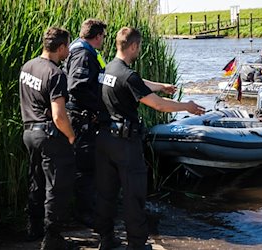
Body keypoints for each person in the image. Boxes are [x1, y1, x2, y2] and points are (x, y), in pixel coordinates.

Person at [95, 27, 205, 250]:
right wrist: (188, 107)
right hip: (126, 144)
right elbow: (158, 104)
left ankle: (105, 240)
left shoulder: (108, 69)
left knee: (106, 194)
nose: (139, 50)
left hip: (105, 141)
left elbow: (135, 83)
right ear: (133, 46)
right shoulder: (127, 74)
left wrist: (161, 86)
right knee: (134, 196)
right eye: (139, 47)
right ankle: (136, 245)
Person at [19, 27, 76, 249]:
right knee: (56, 186)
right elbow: (59, 115)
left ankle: (33, 228)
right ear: (60, 47)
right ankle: (52, 238)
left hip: (29, 132)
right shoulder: (56, 74)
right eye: (67, 47)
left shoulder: (28, 66)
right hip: (49, 135)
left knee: (36, 180)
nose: (68, 51)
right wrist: (70, 136)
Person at [63, 18, 107, 228]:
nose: (103, 40)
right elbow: (77, 87)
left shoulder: (81, 50)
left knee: (85, 166)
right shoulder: (83, 54)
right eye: (103, 36)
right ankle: (83, 214)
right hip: (81, 118)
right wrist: (96, 109)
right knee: (85, 168)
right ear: (97, 36)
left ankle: (84, 210)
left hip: (83, 116)